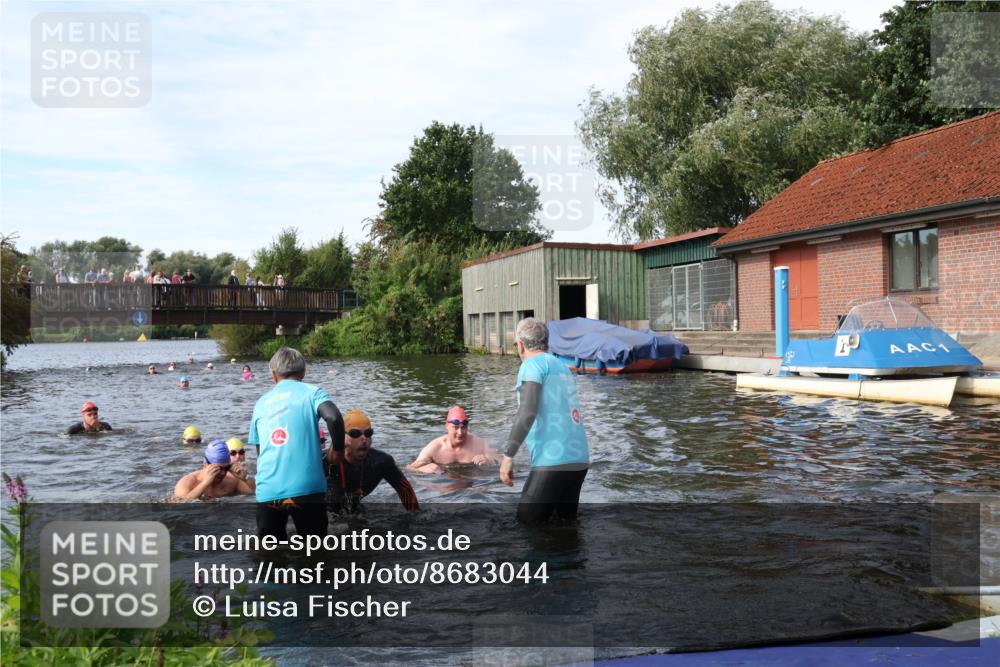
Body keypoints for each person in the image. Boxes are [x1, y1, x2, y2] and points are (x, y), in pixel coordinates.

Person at [248, 347, 345, 539]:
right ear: (303, 372)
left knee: (270, 556)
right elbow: (333, 418)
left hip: (269, 489)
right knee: (315, 553)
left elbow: (261, 452)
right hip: (307, 488)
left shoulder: (261, 403)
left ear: (273, 374)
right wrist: (338, 451)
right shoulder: (312, 393)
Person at [500, 318, 590, 524]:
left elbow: (528, 410)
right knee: (565, 526)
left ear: (520, 345)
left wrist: (508, 455)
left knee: (526, 525)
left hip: (553, 461)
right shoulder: (562, 366)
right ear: (546, 344)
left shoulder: (531, 365)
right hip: (579, 460)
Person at [327, 409, 419, 514]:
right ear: (343, 438)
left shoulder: (381, 462)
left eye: (368, 433)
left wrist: (416, 519)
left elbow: (405, 490)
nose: (363, 438)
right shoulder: (326, 463)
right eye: (355, 433)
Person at [408, 406, 501, 473]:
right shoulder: (434, 448)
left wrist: (490, 461)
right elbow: (410, 468)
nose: (460, 432)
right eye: (455, 427)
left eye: (463, 427)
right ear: (447, 426)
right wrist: (421, 470)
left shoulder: (479, 444)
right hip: (445, 486)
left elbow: (505, 461)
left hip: (470, 484)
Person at [172, 441, 252, 500]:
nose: (223, 473)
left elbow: (253, 495)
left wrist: (245, 479)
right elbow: (177, 505)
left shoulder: (232, 481)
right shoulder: (187, 482)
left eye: (226, 468)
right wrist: (205, 483)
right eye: (218, 468)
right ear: (206, 465)